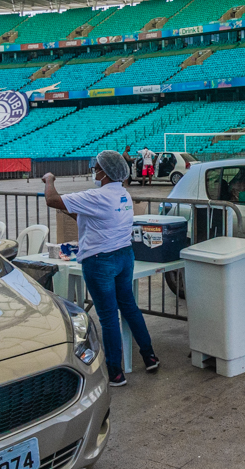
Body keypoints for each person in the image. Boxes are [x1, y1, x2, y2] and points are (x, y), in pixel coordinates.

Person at [41, 152, 158, 387]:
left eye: (96, 169)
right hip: (124, 256)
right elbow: (93, 219)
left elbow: (52, 200)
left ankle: (115, 371)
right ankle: (149, 356)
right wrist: (72, 211)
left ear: (104, 172)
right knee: (129, 308)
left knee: (108, 317)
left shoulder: (97, 195)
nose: (94, 172)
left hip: (100, 261)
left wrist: (49, 180)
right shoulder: (122, 195)